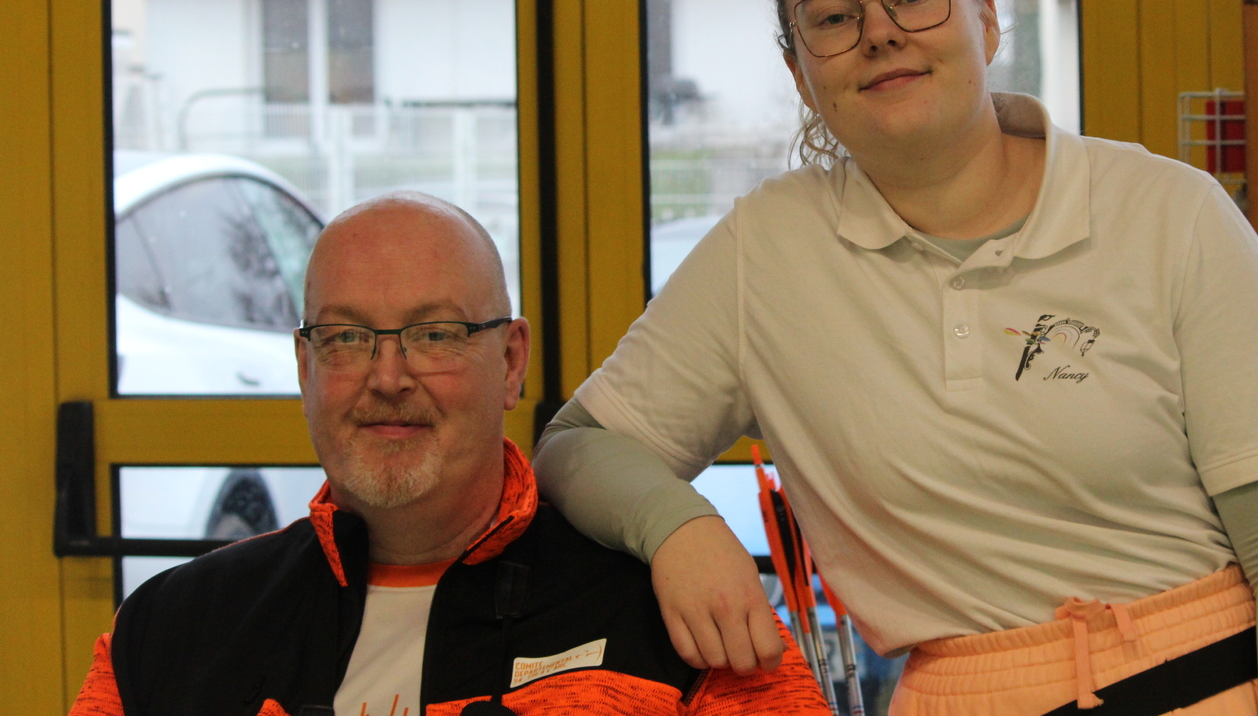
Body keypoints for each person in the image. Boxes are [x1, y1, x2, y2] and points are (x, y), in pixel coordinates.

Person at [534, 0, 1258, 715]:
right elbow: (577, 445)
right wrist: (679, 525)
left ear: (986, 17)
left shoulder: (1172, 214)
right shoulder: (765, 253)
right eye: (833, 17)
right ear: (799, 73)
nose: (880, 33)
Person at [70, 192, 827, 716]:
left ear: (511, 361)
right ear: (305, 368)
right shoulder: (168, 632)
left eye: (435, 334)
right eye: (346, 338)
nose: (387, 377)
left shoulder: (675, 626)